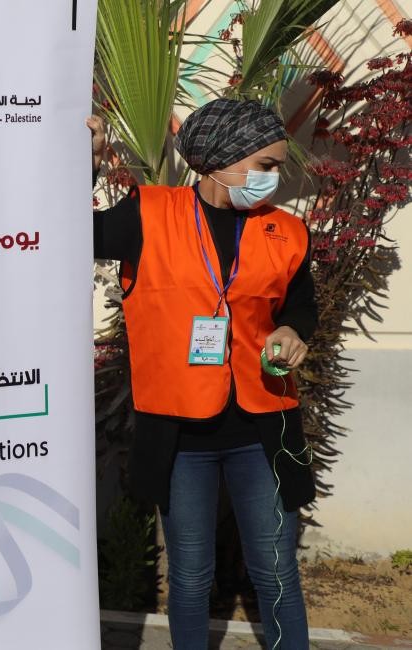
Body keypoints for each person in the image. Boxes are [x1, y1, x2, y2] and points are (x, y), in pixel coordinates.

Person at [88, 99, 316, 649]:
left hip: (263, 426)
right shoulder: (147, 212)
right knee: (190, 576)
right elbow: (70, 234)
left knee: (277, 572)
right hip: (180, 433)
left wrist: (292, 331)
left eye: (277, 167)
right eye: (264, 165)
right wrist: (85, 169)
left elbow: (299, 305)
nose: (272, 179)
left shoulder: (286, 230)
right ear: (219, 160)